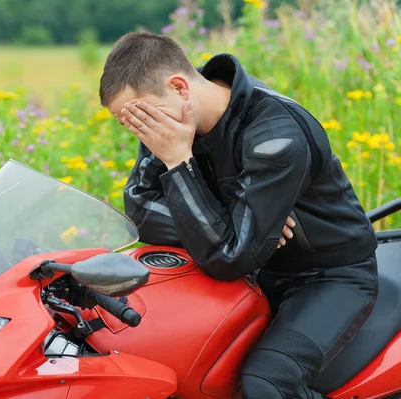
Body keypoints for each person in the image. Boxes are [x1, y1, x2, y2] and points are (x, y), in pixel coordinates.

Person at [98, 31, 379, 399]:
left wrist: (179, 164)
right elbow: (139, 209)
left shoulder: (276, 134)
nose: (140, 128)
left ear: (180, 86)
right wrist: (230, 220)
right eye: (128, 122)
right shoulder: (170, 117)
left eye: (140, 115)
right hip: (258, 271)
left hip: (327, 276)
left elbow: (229, 257)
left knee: (267, 383)